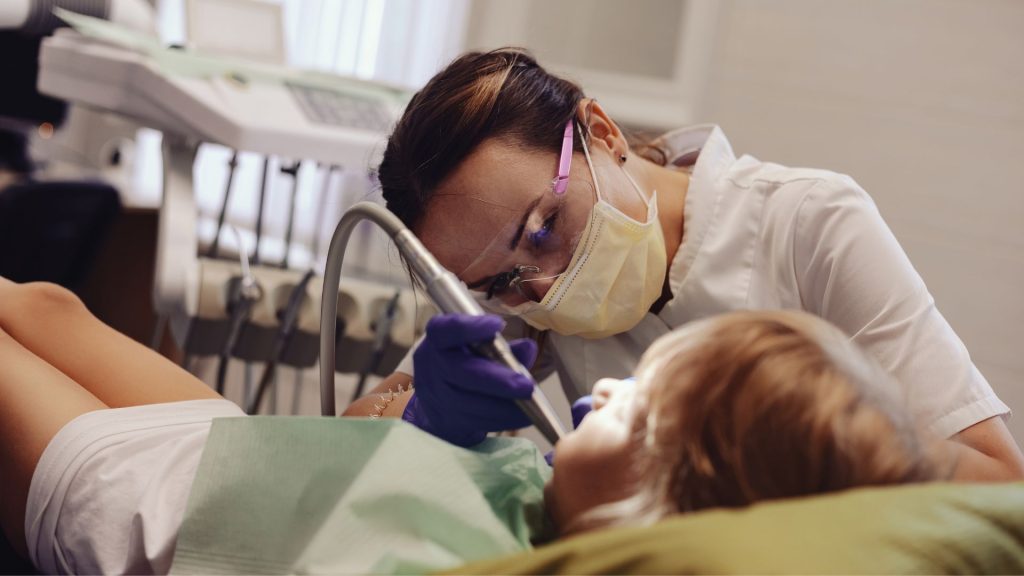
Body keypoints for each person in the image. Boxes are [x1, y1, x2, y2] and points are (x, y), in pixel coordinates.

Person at [373, 47, 1024, 481]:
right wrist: (422, 417)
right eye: (497, 283)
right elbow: (354, 434)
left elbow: (998, 483)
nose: (543, 286)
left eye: (545, 228)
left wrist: (786, 437)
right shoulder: (508, 279)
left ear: (601, 131)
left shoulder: (807, 223)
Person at [0, 276, 941, 573]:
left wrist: (429, 447)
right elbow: (355, 453)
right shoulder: (540, 494)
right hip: (238, 456)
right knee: (46, 306)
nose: (601, 396)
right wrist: (430, 422)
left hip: (158, 513)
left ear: (667, 505)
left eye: (639, 409)